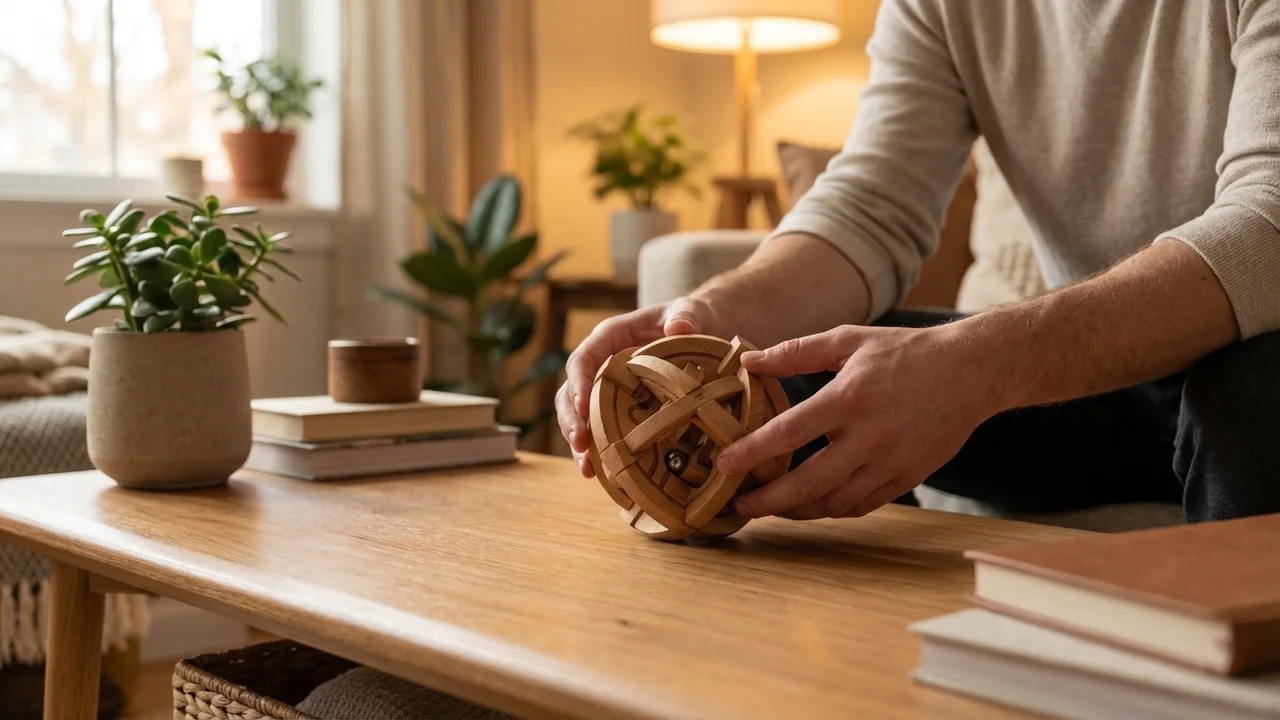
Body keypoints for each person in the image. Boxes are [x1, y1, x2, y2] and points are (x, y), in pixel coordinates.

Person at [556, 0, 1280, 525]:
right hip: (1096, 383)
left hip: (1251, 372)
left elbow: (1267, 224)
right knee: (790, 375)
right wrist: (712, 315)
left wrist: (985, 363)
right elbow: (868, 208)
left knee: (1251, 392)